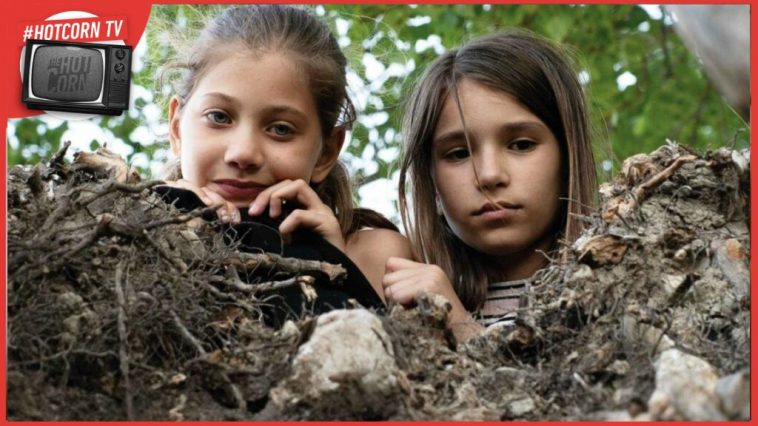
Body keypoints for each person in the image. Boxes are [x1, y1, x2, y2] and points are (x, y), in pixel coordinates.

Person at [156, 5, 413, 325]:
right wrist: (157, 228)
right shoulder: (126, 223)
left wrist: (329, 263)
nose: (243, 153)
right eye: (219, 117)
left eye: (280, 129)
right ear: (178, 128)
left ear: (326, 152)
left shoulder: (376, 258)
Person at [385, 31, 597, 342]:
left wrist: (457, 323)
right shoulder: (410, 303)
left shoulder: (617, 293)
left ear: (569, 156)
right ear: (430, 181)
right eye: (458, 153)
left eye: (521, 145)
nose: (488, 175)